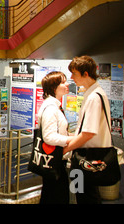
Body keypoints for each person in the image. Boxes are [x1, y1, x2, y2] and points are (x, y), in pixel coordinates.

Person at [63, 55, 112, 204]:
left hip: (86, 157)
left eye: (75, 73)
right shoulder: (94, 93)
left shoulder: (93, 97)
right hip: (88, 156)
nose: (72, 77)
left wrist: (66, 149)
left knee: (85, 197)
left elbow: (88, 133)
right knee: (84, 194)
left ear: (86, 74)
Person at [37, 71, 73, 204]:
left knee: (51, 195)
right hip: (54, 161)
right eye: (63, 82)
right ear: (53, 87)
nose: (67, 84)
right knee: (57, 197)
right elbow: (49, 137)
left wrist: (70, 136)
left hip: (55, 161)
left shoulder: (54, 106)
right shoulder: (51, 108)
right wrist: (72, 140)